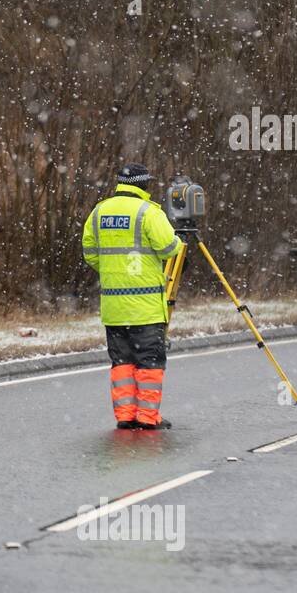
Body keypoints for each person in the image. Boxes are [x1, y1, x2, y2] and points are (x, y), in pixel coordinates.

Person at [81, 163, 181, 430]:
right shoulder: (149, 212)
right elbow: (171, 249)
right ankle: (148, 417)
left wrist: (115, 271)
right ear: (144, 184)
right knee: (149, 362)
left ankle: (125, 416)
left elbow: (90, 252)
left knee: (122, 363)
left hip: (113, 307)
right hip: (145, 308)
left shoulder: (99, 211)